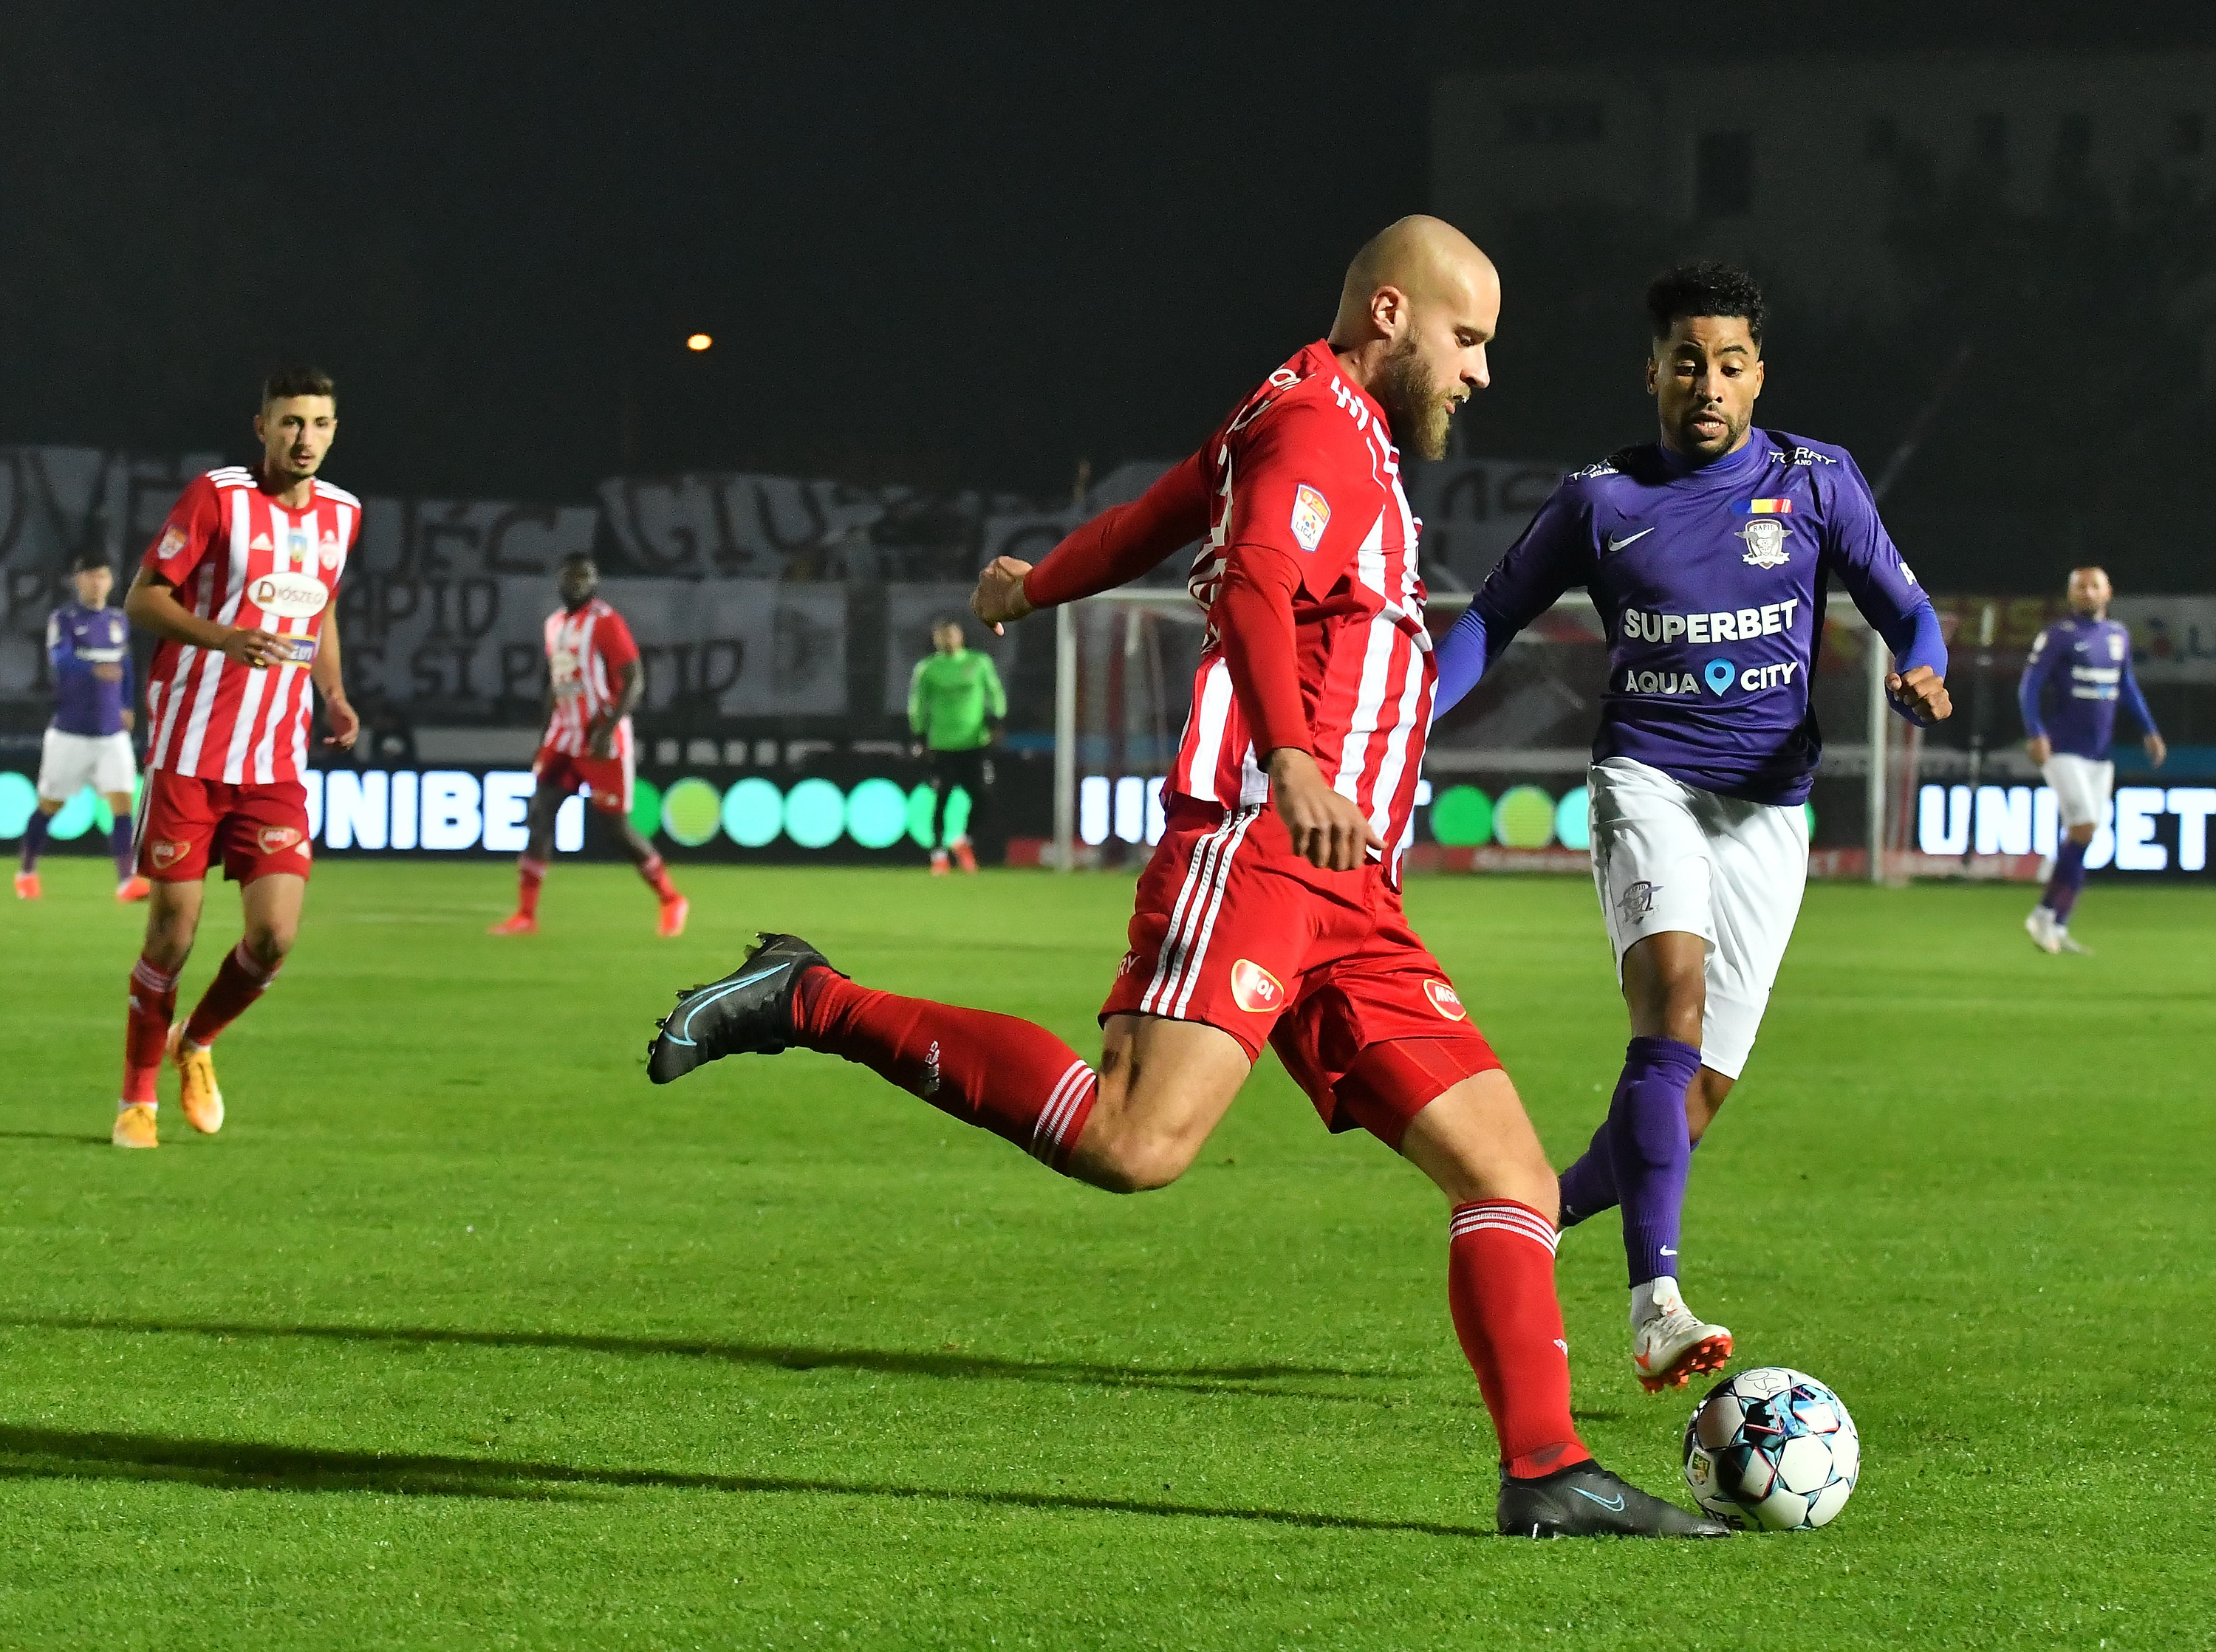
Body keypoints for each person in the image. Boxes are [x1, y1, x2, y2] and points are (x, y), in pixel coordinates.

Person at [646, 217, 1727, 1539]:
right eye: (1468, 339)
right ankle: (809, 998)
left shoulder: (1311, 420)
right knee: (1134, 1141)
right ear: (1390, 313)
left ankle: (1547, 1471)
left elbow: (1160, 517)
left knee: (1510, 1176)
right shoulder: (1317, 427)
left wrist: (1037, 583)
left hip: (1357, 893)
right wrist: (1292, 758)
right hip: (1267, 848)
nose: (1482, 372)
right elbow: (1260, 580)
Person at [1434, 262, 1953, 1392]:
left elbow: (1908, 606)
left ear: (1758, 374)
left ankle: (1532, 1211)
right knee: (1664, 1012)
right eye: (1685, 363)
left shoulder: (1819, 481)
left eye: (1727, 364)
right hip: (1647, 778)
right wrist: (1404, 713)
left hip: (1768, 808)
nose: (1705, 384)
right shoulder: (1598, 501)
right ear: (1653, 372)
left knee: (1692, 1099)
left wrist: (1921, 663)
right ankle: (1655, 1302)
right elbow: (1489, 618)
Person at [114, 365, 361, 1148]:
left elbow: (319, 607)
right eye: (290, 422)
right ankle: (136, 1100)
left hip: (276, 761)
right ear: (261, 427)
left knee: (274, 939)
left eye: (318, 424)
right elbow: (143, 598)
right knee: (171, 937)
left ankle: (199, 1041)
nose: (304, 439)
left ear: (333, 428)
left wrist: (334, 693)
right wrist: (224, 637)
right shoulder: (217, 497)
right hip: (190, 749)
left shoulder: (343, 515)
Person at [489, 552, 687, 938]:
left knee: (615, 828)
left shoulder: (605, 622)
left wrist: (608, 728)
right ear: (560, 580)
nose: (579, 582)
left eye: (587, 576)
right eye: (572, 575)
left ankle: (670, 898)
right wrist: (543, 735)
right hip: (563, 738)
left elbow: (634, 679)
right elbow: (555, 685)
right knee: (540, 814)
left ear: (596, 581)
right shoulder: (554, 625)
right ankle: (526, 915)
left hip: (601, 739)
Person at [2020, 567, 2165, 954]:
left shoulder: (2117, 635)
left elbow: (2127, 686)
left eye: (2094, 586)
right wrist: (2036, 733)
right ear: (2070, 595)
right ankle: (2042, 915)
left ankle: (2057, 923)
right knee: (2084, 829)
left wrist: (2149, 729)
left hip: (2100, 755)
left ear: (2108, 592)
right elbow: (2030, 686)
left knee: (2083, 838)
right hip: (2063, 750)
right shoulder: (2059, 635)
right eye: (2080, 587)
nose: (2087, 592)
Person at [16, 549, 150, 902]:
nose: (97, 582)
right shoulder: (65, 618)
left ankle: (126, 882)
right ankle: (26, 871)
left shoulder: (118, 620)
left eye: (103, 575)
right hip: (71, 731)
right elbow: (60, 660)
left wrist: (126, 704)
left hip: (110, 732)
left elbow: (127, 668)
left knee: (123, 803)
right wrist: (93, 669)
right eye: (91, 575)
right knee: (50, 806)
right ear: (78, 581)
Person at [907, 617, 1005, 874]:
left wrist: (996, 720)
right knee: (941, 799)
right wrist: (919, 735)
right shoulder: (928, 669)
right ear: (936, 641)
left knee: (982, 797)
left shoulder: (978, 663)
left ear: (960, 637)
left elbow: (994, 692)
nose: (948, 641)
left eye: (951, 635)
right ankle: (938, 854)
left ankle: (963, 842)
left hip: (974, 743)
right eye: (943, 636)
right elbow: (918, 703)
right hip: (942, 745)